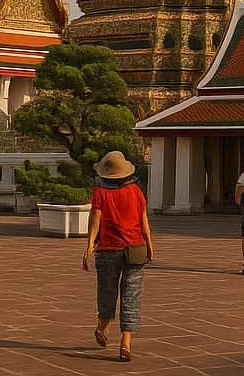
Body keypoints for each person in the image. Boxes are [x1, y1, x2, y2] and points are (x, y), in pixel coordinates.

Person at [84, 150, 152, 363]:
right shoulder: (136, 191)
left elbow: (95, 220)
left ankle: (102, 327)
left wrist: (88, 247)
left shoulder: (100, 192)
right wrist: (150, 244)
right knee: (131, 295)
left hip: (108, 249)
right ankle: (126, 343)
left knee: (107, 291)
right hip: (135, 247)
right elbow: (144, 222)